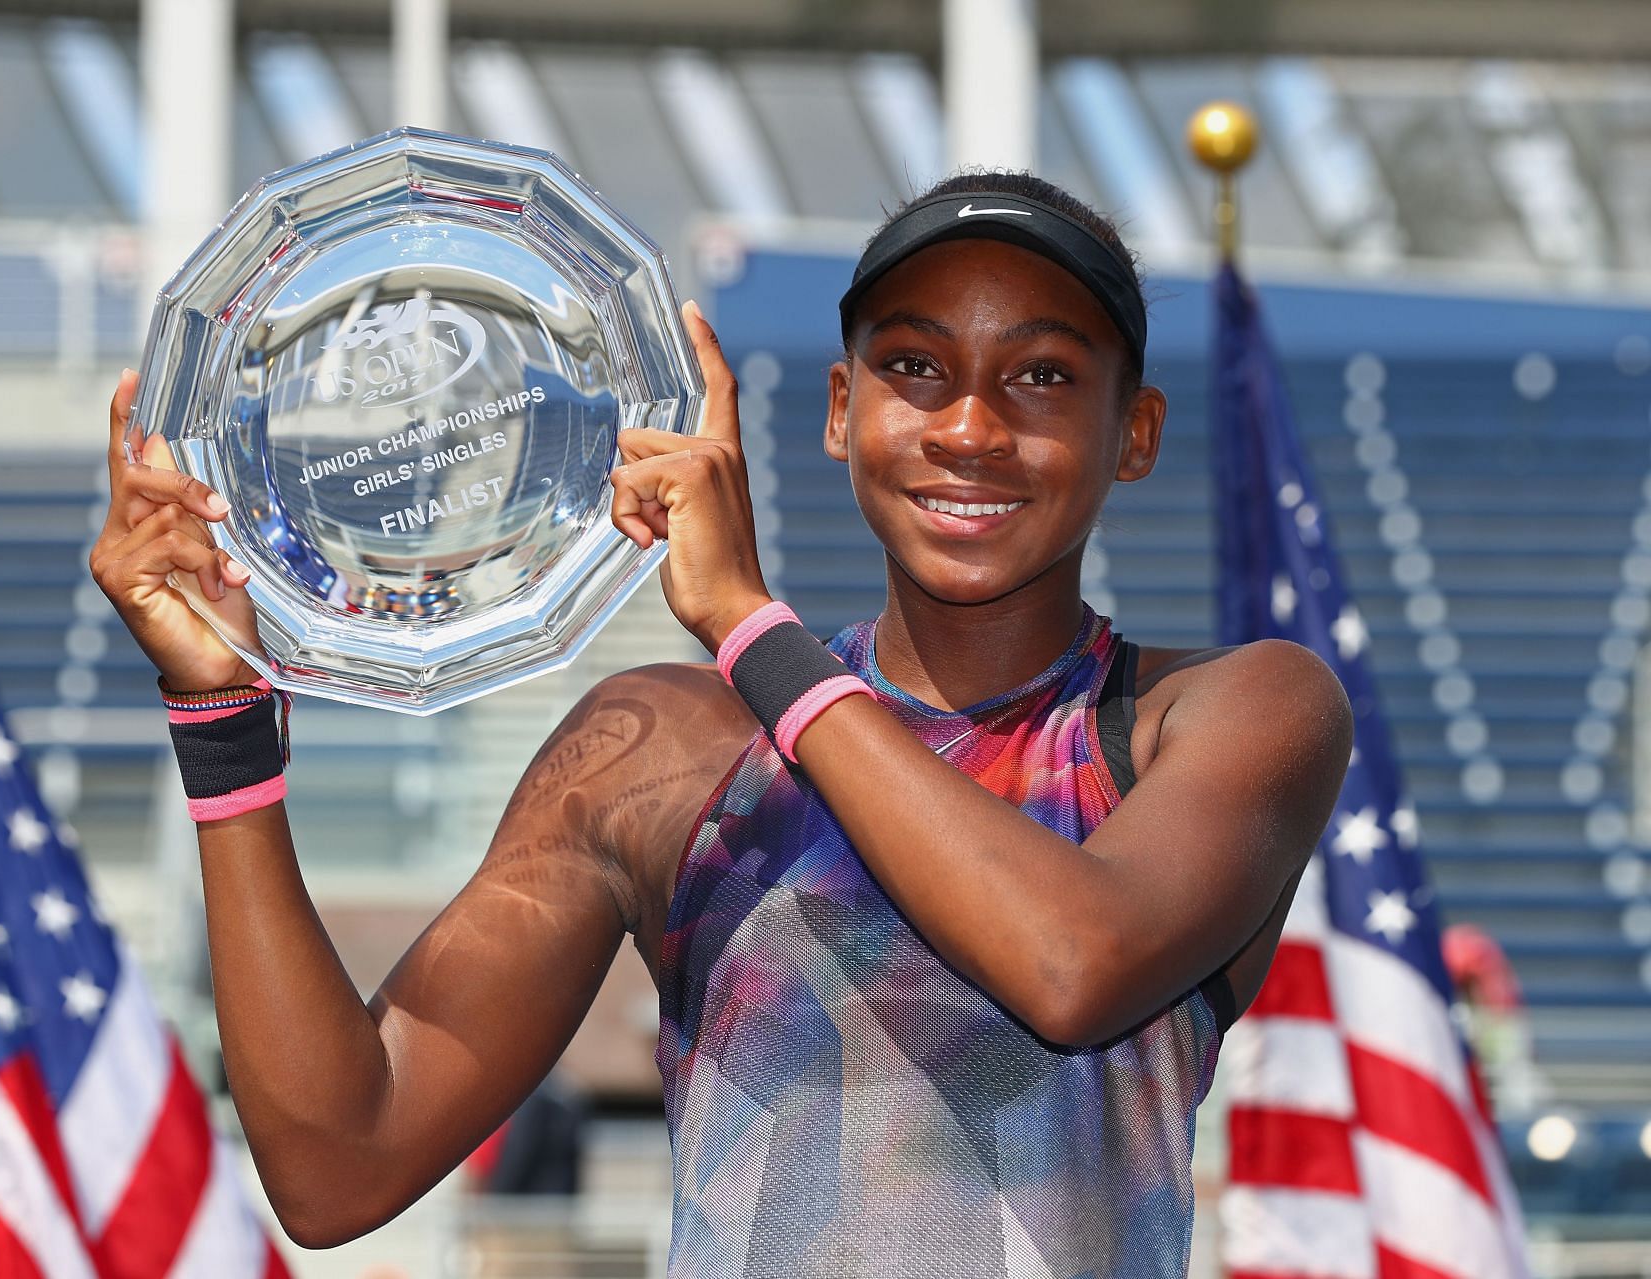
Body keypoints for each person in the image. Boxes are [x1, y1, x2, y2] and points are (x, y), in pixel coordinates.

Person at [89, 170, 1352, 1277]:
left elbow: (1073, 966)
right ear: (841, 409)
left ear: (1133, 433)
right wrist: (223, 725)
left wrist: (748, 624)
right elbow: (335, 1166)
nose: (971, 426)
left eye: (1042, 375)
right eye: (917, 367)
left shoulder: (1233, 711)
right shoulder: (655, 749)